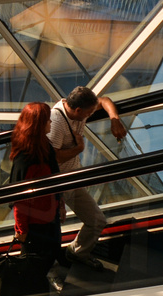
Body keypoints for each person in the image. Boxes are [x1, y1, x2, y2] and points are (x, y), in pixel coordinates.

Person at [47, 85, 127, 269]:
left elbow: (105, 101)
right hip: (59, 183)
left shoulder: (80, 109)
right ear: (77, 110)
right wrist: (79, 149)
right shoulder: (56, 122)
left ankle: (76, 253)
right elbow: (54, 158)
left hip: (73, 177)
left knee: (96, 220)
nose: (90, 115)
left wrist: (114, 119)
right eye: (88, 113)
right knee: (52, 230)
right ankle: (51, 267)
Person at [7, 101, 61, 262]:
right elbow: (19, 199)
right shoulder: (27, 157)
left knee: (45, 259)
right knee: (36, 264)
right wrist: (22, 229)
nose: (50, 122)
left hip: (48, 217)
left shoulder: (43, 146)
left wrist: (60, 206)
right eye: (47, 120)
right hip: (37, 225)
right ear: (38, 125)